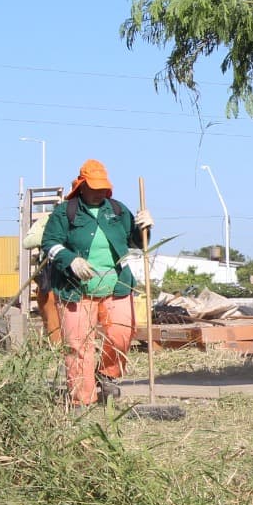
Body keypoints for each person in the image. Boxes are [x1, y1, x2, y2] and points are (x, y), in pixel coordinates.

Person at [41, 159, 152, 407]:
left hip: (117, 285)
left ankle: (107, 374)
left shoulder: (118, 210)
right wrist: (71, 261)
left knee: (122, 334)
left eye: (103, 188)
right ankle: (83, 400)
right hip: (76, 290)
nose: (99, 193)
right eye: (94, 188)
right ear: (82, 186)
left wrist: (144, 227)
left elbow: (138, 243)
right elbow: (50, 244)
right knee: (79, 345)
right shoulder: (65, 212)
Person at [21, 210, 63, 345]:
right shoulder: (45, 221)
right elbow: (27, 242)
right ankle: (56, 348)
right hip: (49, 277)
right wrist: (49, 237)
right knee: (50, 313)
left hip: (70, 277)